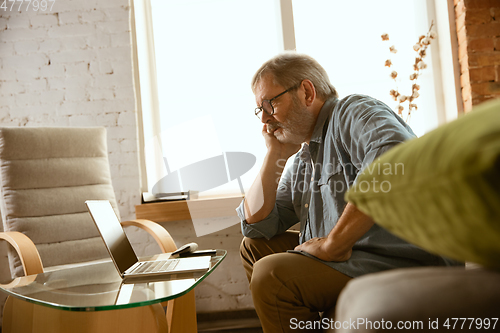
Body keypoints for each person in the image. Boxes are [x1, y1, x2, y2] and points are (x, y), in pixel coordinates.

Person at [236, 52, 459, 333]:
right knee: (254, 248)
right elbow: (256, 227)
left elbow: (394, 160)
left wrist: (333, 244)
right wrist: (274, 153)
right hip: (358, 257)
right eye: (260, 109)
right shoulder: (305, 156)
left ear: (306, 92)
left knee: (272, 276)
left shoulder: (353, 111)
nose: (265, 119)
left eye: (270, 103)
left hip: (400, 257)